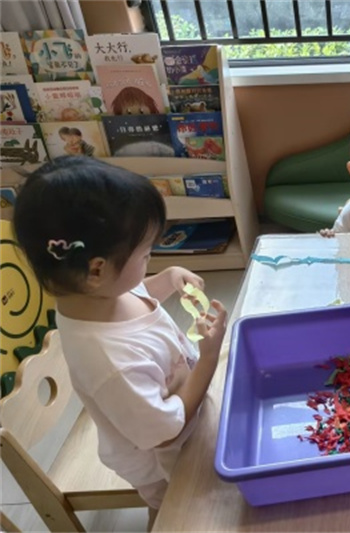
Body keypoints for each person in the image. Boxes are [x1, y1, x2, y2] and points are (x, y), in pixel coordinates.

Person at [12, 156, 227, 530]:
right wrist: (207, 359)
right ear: (96, 269)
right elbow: (166, 434)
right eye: (146, 254)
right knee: (176, 513)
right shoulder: (110, 360)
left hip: (187, 411)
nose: (150, 260)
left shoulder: (96, 296)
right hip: (166, 460)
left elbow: (137, 295)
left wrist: (168, 277)